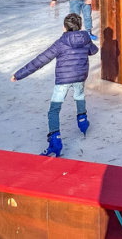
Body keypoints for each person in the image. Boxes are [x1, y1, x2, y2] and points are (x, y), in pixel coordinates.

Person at [11, 13, 99, 157]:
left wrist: (18, 75)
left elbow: (40, 60)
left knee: (54, 109)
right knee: (79, 96)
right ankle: (82, 120)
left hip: (63, 80)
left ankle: (55, 140)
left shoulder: (60, 43)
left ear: (64, 28)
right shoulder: (85, 39)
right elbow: (93, 51)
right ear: (80, 26)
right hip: (80, 76)